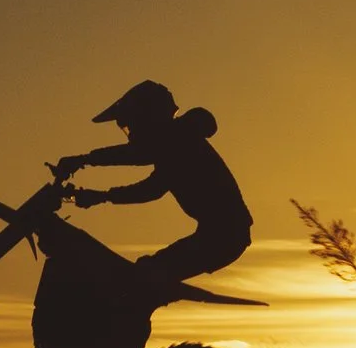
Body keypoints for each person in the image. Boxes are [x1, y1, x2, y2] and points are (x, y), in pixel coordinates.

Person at [57, 81, 253, 286]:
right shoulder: (176, 139)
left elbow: (149, 187)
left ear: (147, 118)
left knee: (145, 276)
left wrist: (100, 192)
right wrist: (85, 162)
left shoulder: (179, 142)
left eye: (131, 124)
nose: (130, 133)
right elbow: (134, 156)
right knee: (146, 273)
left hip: (222, 237)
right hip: (220, 234)